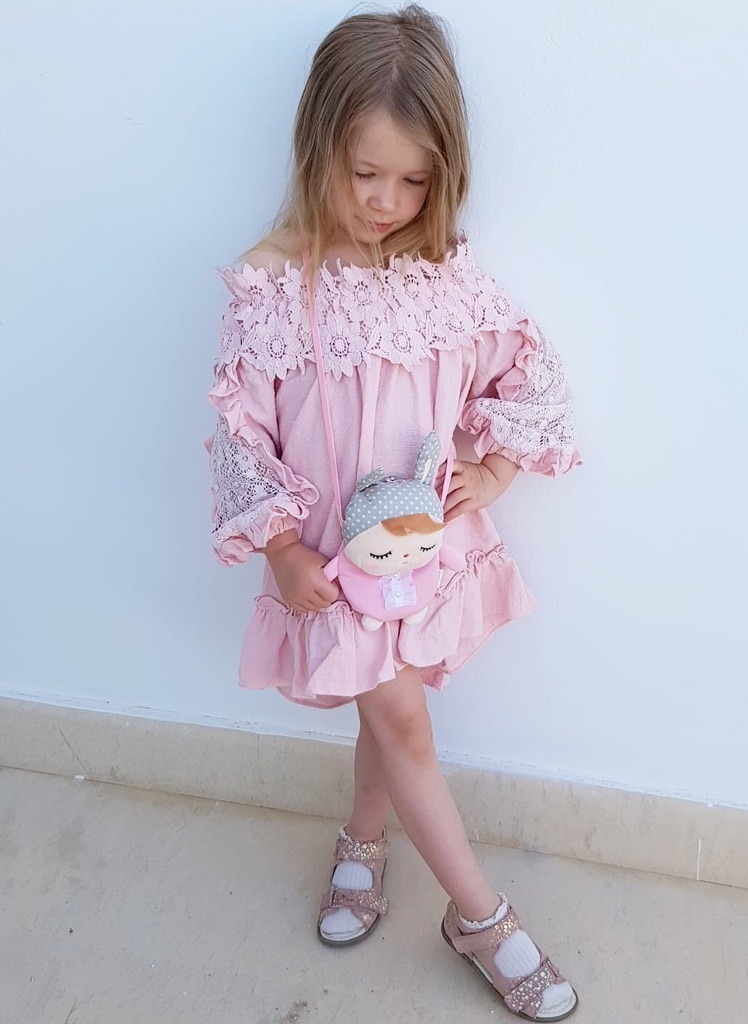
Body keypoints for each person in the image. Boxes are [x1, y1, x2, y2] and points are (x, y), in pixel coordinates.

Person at [207, 6, 581, 1020]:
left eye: (412, 180)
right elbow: (240, 431)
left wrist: (493, 471)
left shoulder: (442, 279)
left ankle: (362, 845)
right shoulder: (273, 285)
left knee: (393, 703)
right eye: (364, 172)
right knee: (402, 716)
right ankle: (480, 917)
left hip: (421, 552)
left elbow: (527, 371)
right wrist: (278, 548)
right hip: (334, 566)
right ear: (318, 145)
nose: (386, 201)